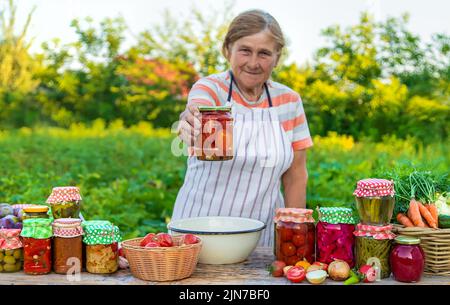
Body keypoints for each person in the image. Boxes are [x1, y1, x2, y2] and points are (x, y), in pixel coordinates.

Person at [173, 9, 313, 246]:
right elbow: (196, 110)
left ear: (277, 57)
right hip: (198, 231)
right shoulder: (210, 89)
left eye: (264, 53)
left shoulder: (289, 101)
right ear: (228, 50)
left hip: (262, 237)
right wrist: (190, 121)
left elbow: (296, 175)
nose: (253, 63)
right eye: (245, 50)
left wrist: (295, 237)